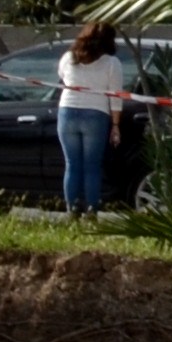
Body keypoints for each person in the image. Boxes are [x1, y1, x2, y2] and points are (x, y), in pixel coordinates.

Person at [54, 20, 131, 217]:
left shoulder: (69, 57)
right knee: (92, 165)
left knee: (71, 164)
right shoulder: (112, 63)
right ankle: (92, 209)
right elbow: (115, 96)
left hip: (67, 111)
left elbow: (62, 76)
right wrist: (115, 125)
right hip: (96, 114)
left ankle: (71, 209)